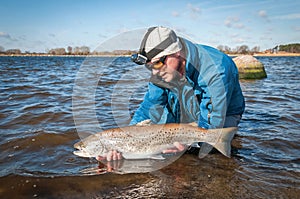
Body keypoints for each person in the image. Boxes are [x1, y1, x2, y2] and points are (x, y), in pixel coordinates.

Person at [99, 26, 245, 161]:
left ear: (177, 53)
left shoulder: (216, 69)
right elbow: (151, 106)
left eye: (157, 64)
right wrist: (126, 139)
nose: (155, 72)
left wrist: (190, 142)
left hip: (224, 113)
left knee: (209, 147)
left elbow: (212, 120)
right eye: (150, 67)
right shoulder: (161, 71)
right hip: (184, 111)